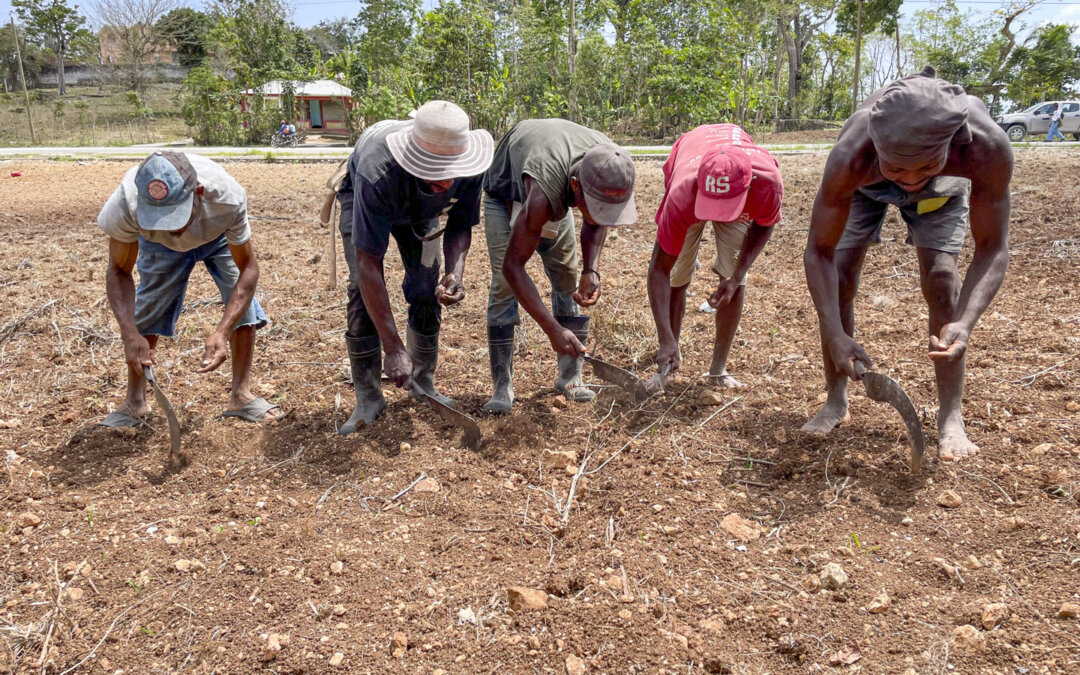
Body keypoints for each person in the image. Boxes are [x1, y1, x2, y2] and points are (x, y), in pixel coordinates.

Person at [801, 66, 1012, 462]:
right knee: (841, 277)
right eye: (899, 169)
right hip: (869, 183)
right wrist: (832, 332)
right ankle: (835, 399)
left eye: (922, 168)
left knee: (942, 280)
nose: (910, 181)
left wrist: (965, 323)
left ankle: (950, 417)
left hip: (945, 183)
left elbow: (992, 246)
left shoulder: (985, 147)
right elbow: (819, 252)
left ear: (956, 142)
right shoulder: (853, 153)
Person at [334, 100, 493, 434]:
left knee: (425, 284)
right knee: (361, 292)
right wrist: (392, 348)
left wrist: (456, 271)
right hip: (366, 198)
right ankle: (368, 398)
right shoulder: (377, 172)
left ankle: (424, 383)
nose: (448, 185)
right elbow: (368, 264)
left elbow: (461, 223)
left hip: (421, 213)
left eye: (453, 177)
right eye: (437, 179)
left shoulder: (470, 166)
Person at [97, 152, 282, 427]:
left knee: (240, 303)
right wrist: (128, 333)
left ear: (198, 193)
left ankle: (241, 396)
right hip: (156, 245)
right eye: (160, 216)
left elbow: (248, 269)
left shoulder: (227, 198)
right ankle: (134, 402)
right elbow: (119, 271)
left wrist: (222, 330)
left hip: (217, 235)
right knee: (149, 308)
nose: (174, 229)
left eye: (176, 214)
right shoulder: (124, 206)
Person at [481, 119, 637, 414]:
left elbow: (597, 217)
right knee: (504, 286)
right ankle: (502, 385)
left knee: (567, 277)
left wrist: (591, 270)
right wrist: (551, 328)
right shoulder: (545, 191)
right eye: (595, 204)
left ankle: (570, 376)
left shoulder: (611, 164)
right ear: (576, 187)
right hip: (506, 195)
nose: (602, 214)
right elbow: (513, 266)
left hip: (554, 184)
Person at [649, 124, 783, 389]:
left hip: (739, 195)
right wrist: (665, 339)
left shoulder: (767, 184)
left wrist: (737, 274)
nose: (718, 214)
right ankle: (669, 360)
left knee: (734, 274)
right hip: (690, 187)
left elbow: (765, 223)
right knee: (677, 273)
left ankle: (718, 371)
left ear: (748, 187)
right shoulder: (681, 195)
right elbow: (659, 270)